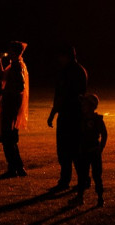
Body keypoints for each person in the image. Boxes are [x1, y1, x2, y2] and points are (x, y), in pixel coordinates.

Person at [46, 43, 88, 192]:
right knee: (77, 150)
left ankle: (65, 180)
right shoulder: (81, 70)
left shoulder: (66, 72)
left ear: (66, 56)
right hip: (77, 114)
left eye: (61, 56)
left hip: (67, 115)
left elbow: (62, 96)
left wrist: (52, 113)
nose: (59, 59)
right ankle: (84, 179)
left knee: (65, 150)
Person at [0, 39, 29, 178]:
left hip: (11, 106)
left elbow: (19, 85)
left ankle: (15, 168)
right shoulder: (15, 65)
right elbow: (4, 77)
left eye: (10, 51)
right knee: (11, 137)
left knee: (8, 137)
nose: (8, 53)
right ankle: (17, 167)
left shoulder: (17, 66)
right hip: (12, 105)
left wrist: (5, 92)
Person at [74, 92, 108, 206]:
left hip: (93, 150)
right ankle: (80, 197)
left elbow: (104, 134)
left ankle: (100, 197)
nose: (83, 106)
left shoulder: (97, 120)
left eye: (85, 104)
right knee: (82, 175)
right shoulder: (81, 119)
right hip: (83, 151)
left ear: (91, 106)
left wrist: (101, 147)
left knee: (97, 175)